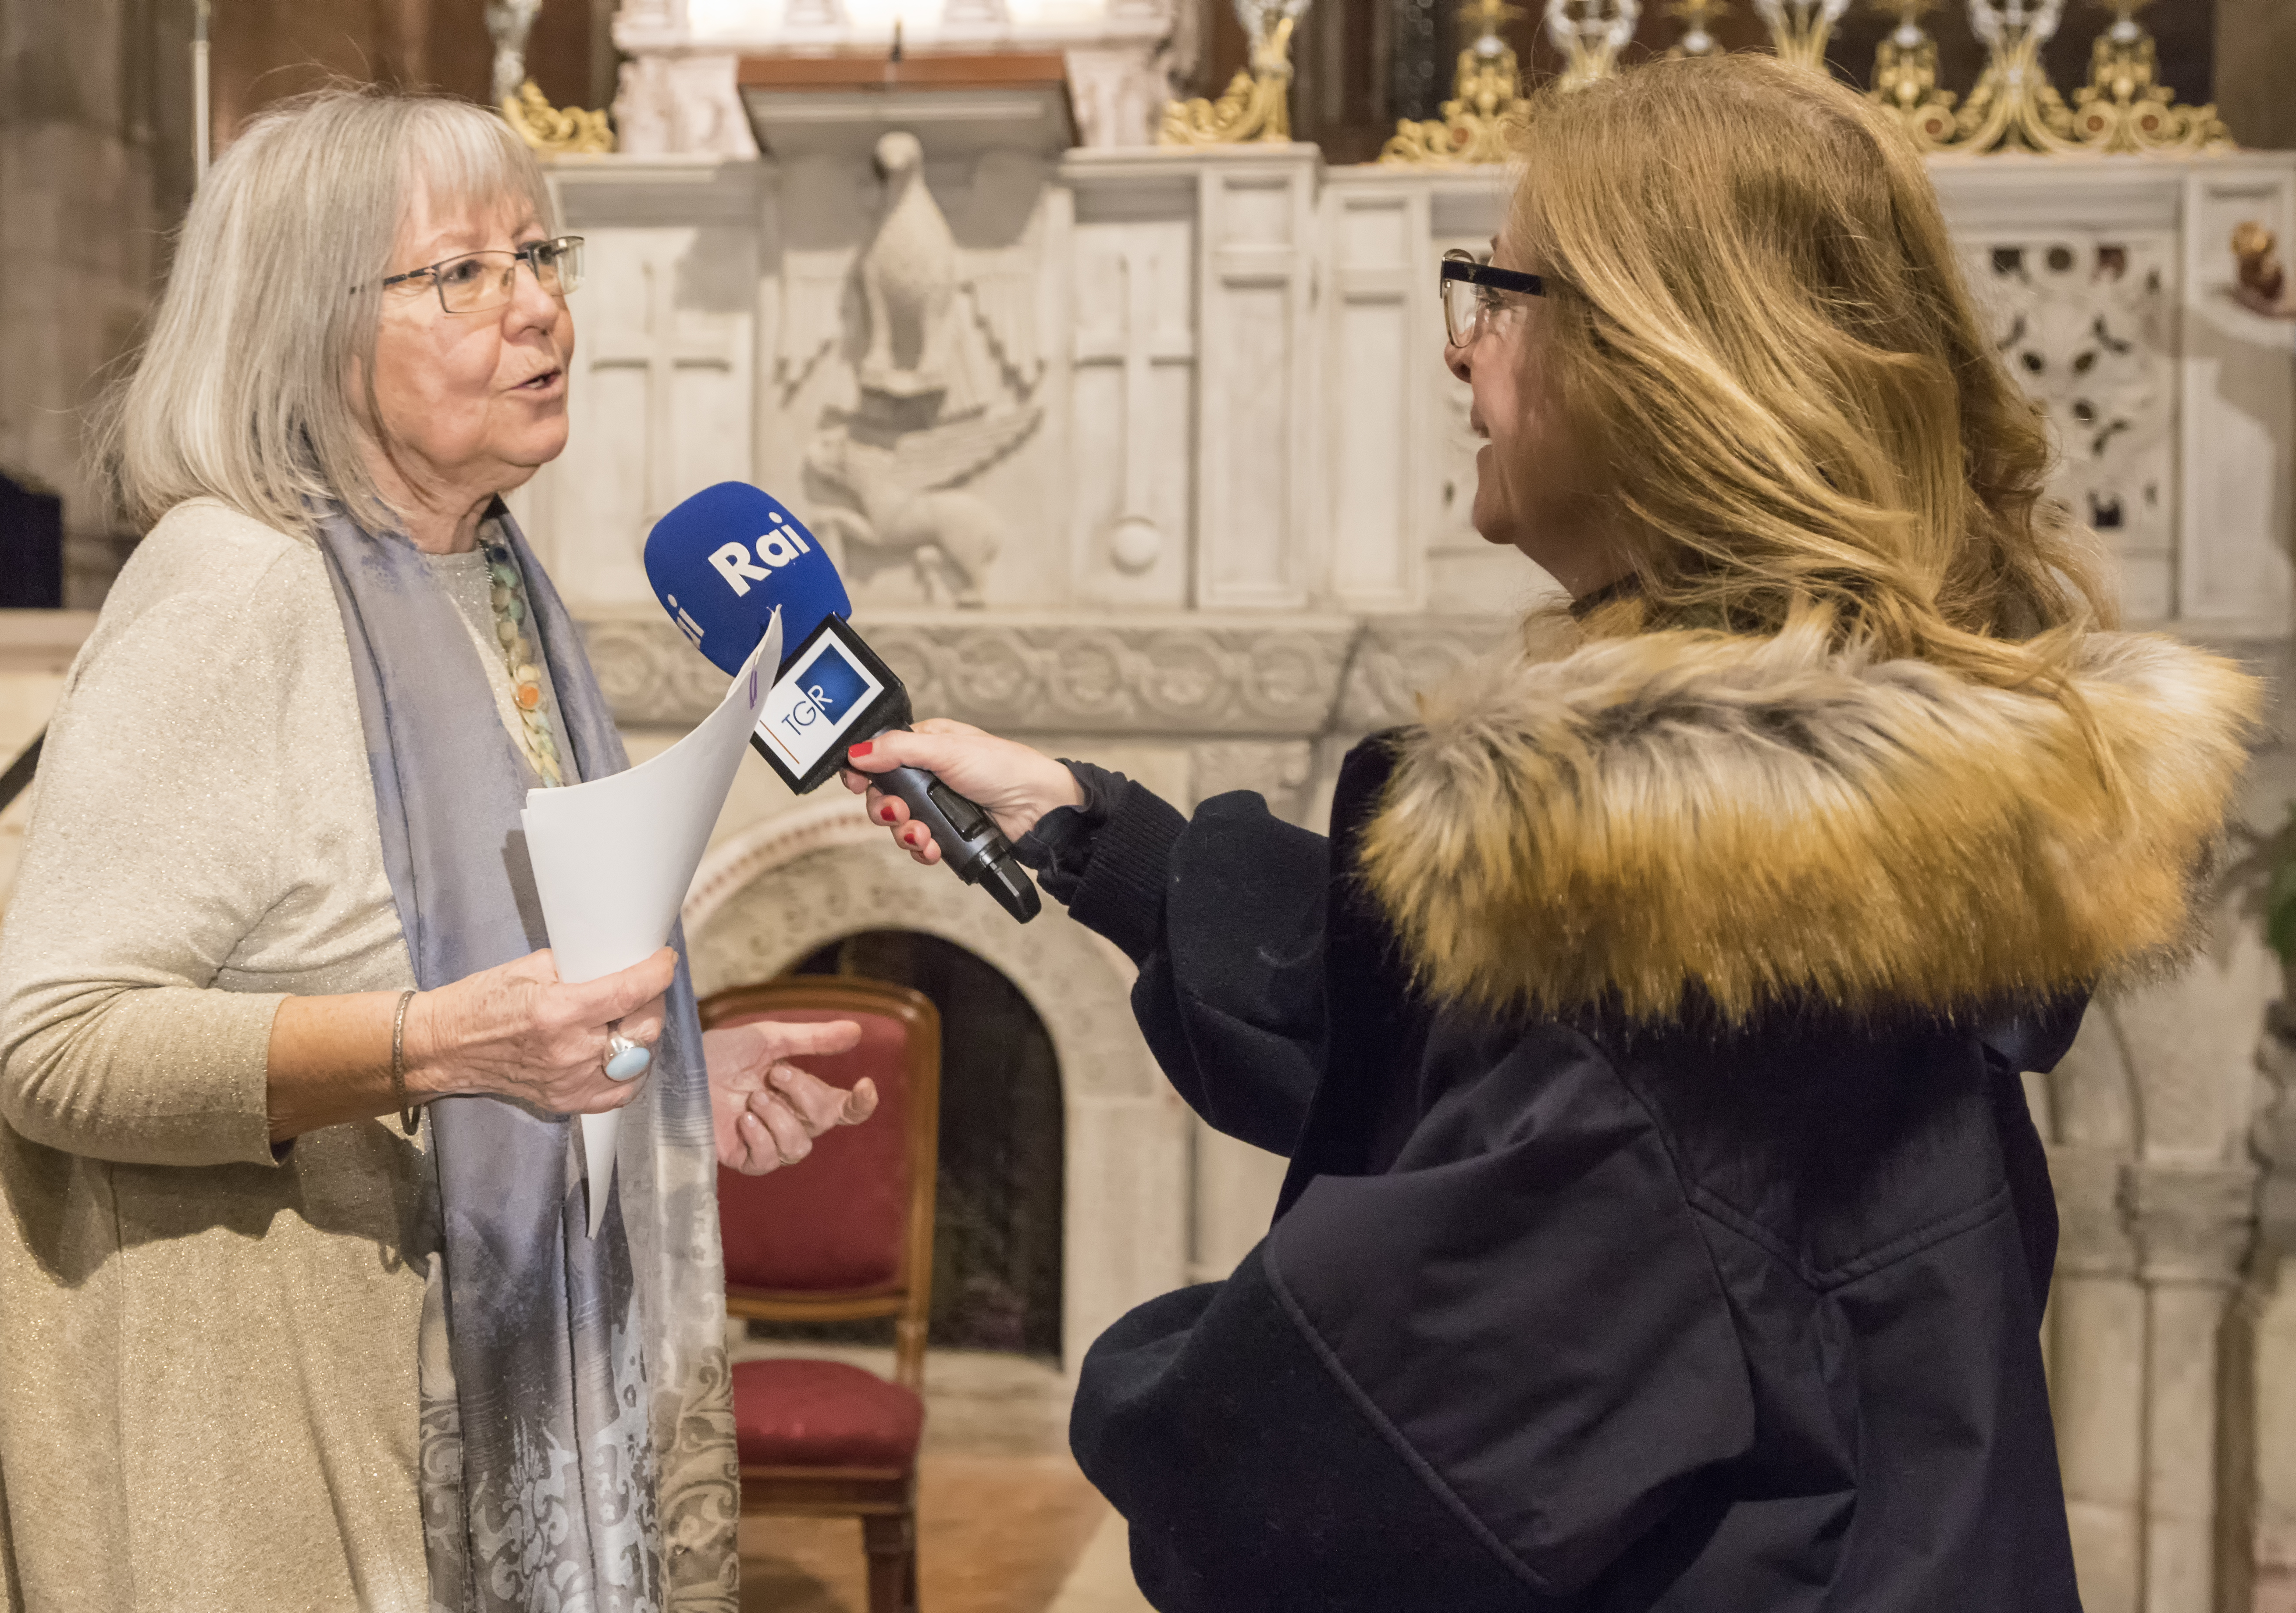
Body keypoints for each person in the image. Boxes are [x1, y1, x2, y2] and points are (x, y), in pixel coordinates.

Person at [843, 54, 2259, 1611]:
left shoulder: (1694, 955)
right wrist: (1095, 837)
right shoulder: (1820, 827)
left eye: (1498, 293)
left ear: (1660, 364)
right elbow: (1449, 1051)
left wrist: (1142, 1375)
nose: (1461, 354)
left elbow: (1300, 1488)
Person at [0, 86, 876, 1613]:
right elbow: (56, 1048)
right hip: (258, 1446)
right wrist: (441, 1047)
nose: (538, 310)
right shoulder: (233, 591)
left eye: (539, 255)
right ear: (307, 326)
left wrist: (655, 1082)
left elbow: (474, 973)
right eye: (464, 274)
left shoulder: (488, 584)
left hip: (439, 1399)